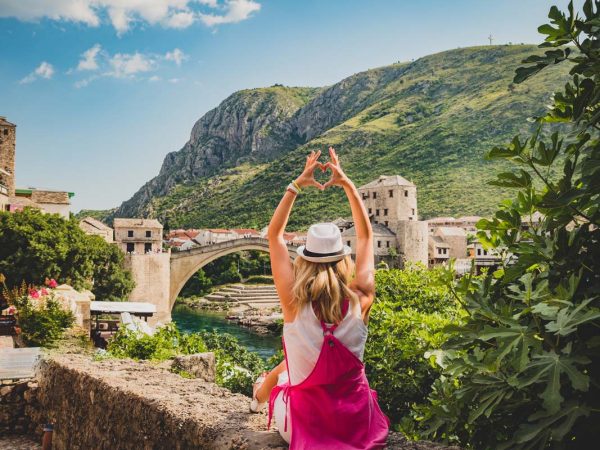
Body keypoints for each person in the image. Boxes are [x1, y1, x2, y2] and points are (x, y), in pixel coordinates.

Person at [250, 147, 389, 448]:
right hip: (357, 427)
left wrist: (296, 185)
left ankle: (258, 392)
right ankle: (261, 389)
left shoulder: (292, 304)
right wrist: (348, 185)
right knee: (291, 369)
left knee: (284, 379)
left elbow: (274, 236)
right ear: (343, 259)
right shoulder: (361, 300)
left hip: (306, 428)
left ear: (305, 260)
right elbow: (366, 237)